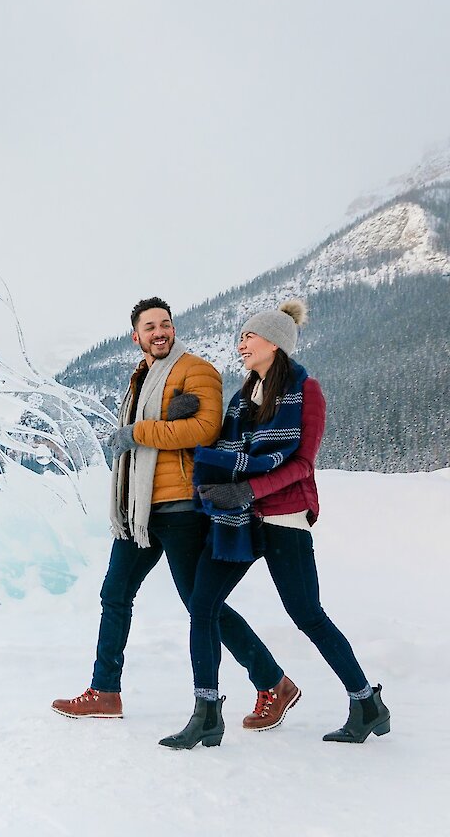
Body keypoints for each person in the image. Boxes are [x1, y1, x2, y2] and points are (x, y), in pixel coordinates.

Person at [159, 300, 390, 749]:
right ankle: (206, 713)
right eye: (241, 336)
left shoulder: (307, 392)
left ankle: (366, 703)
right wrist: (186, 421)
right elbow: (224, 447)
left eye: (249, 336)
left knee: (307, 614)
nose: (241, 343)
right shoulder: (243, 398)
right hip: (239, 519)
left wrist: (250, 491)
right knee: (202, 604)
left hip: (283, 517)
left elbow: (302, 463)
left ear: (275, 343)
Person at [53, 298, 288, 720]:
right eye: (150, 327)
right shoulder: (142, 378)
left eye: (165, 324)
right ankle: (105, 691)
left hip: (181, 507)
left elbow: (205, 429)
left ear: (173, 329)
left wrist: (138, 431)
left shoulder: (195, 370)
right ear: (136, 337)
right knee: (115, 594)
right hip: (139, 513)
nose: (159, 332)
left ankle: (273, 681)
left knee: (201, 603)